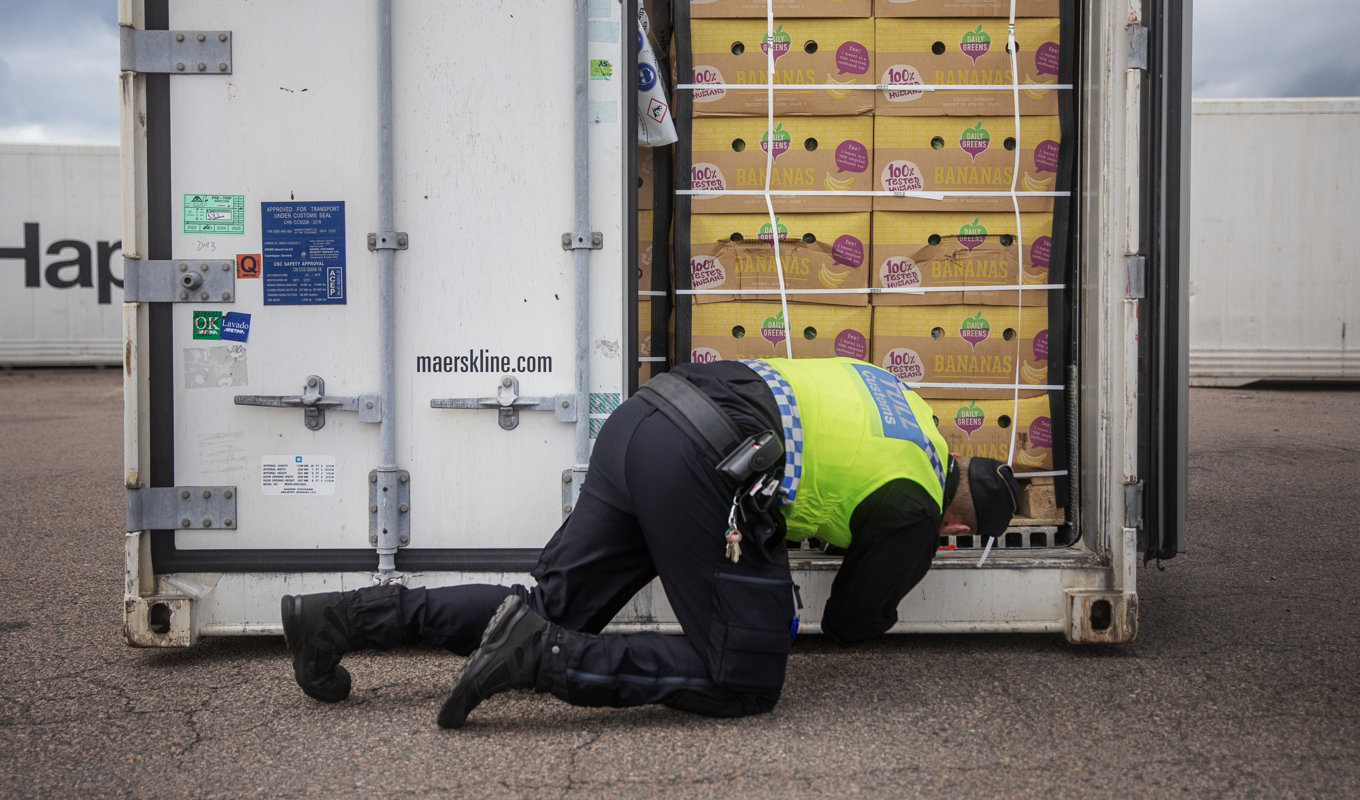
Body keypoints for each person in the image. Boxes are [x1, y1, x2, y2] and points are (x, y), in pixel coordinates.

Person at [280, 357, 1020, 728]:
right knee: (745, 678)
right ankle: (541, 657)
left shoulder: (904, 401)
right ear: (960, 527)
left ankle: (337, 619)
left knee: (549, 602)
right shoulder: (916, 508)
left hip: (647, 417)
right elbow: (852, 622)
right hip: (707, 460)